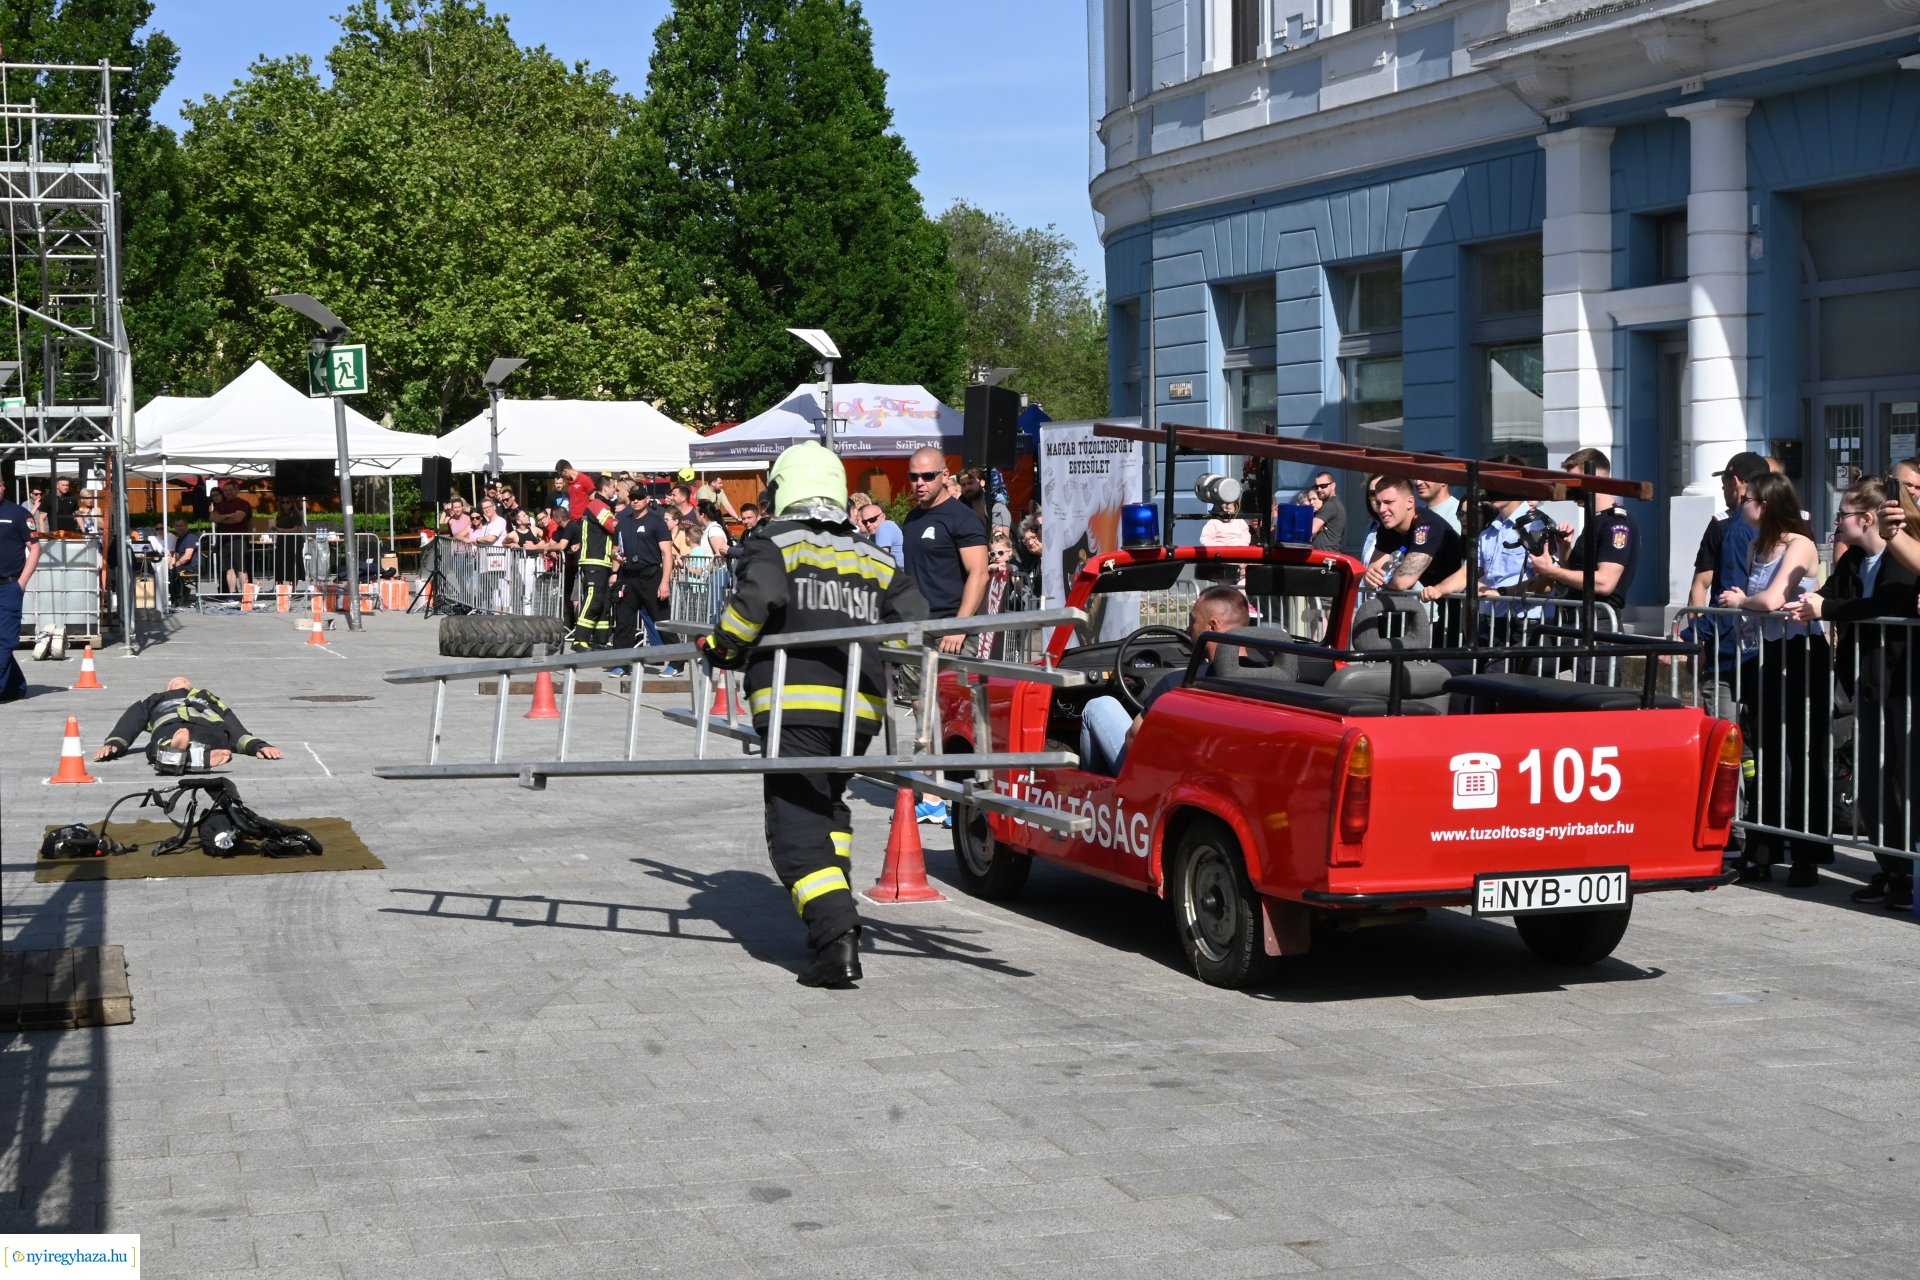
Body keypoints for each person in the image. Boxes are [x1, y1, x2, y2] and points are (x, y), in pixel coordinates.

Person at [696, 441, 928, 988]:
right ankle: (834, 911)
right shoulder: (873, 554)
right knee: (827, 810)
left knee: (795, 829)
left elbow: (755, 604)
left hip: (793, 704)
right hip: (859, 711)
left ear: (784, 490)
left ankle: (835, 937)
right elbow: (914, 622)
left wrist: (721, 645)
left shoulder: (774, 542)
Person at [1786, 477, 1918, 906]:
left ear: (1866, 519)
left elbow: (1887, 606)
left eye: (1843, 514)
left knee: (1899, 778)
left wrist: (1829, 609)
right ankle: (1891, 869)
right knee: (1872, 780)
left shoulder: (1899, 561)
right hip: (1863, 684)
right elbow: (1832, 595)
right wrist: (1805, 604)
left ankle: (1905, 873)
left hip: (1900, 682)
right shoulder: (1855, 560)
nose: (1837, 521)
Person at [1718, 471, 1828, 887]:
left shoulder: (1798, 543)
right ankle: (1762, 851)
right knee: (1763, 753)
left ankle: (1806, 854)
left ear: (1764, 504)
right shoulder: (1754, 544)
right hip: (1765, 652)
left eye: (1746, 498)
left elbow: (1772, 598)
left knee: (1801, 751)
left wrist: (1739, 601)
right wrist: (1747, 607)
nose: (1740, 503)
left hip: (1799, 653)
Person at [900, 447, 989, 826]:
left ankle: (968, 793)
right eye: (914, 478)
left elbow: (979, 574)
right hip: (916, 630)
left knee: (958, 712)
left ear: (944, 475)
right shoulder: (911, 518)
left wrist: (959, 624)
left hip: (951, 630)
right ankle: (934, 794)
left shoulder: (962, 518)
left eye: (927, 477)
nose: (920, 484)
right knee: (922, 710)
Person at [1079, 586, 1251, 776]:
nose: (1187, 628)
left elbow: (1134, 741)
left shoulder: (1180, 682)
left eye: (1193, 620)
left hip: (1162, 783)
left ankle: (1097, 794)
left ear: (1212, 626)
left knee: (1099, 706)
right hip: (1230, 777)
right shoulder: (1277, 678)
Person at [95, 675, 285, 769]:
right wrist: (115, 743)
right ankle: (198, 756)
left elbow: (234, 727)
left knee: (157, 749)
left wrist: (257, 746)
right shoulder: (154, 699)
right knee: (156, 745)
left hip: (207, 728)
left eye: (186, 681)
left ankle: (181, 756)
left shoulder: (208, 697)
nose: (182, 680)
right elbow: (130, 722)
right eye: (177, 680)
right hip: (174, 729)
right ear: (167, 689)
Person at [611, 487, 677, 674]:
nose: (636, 501)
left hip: (651, 576)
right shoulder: (623, 523)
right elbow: (615, 549)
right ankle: (621, 663)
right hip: (629, 577)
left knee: (662, 621)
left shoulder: (657, 522)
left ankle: (677, 662)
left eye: (640, 497)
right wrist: (616, 562)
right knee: (624, 621)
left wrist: (664, 582)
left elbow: (667, 553)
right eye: (633, 497)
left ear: (647, 499)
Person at [1365, 477, 1464, 597]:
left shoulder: (1427, 525)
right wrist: (1372, 578)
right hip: (1433, 601)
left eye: (1388, 502)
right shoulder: (1387, 528)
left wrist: (1381, 580)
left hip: (1458, 601)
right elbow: (1371, 574)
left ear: (1410, 502)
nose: (1381, 509)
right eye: (1379, 503)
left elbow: (1402, 581)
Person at [0, 461, 44, 702]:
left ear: (3, 486)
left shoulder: (18, 514)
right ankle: (15, 686)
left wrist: (22, 582)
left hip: (8, 586)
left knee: (5, 639)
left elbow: (35, 549)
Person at [569, 472, 622, 653]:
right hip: (594, 559)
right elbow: (612, 526)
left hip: (603, 560)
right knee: (593, 599)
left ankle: (601, 639)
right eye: (613, 487)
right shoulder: (597, 505)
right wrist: (626, 522)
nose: (615, 490)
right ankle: (580, 638)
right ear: (605, 488)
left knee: (604, 601)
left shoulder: (603, 505)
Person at [209, 479, 255, 595]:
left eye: (230, 490)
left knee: (241, 569)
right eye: (225, 490)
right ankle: (232, 594)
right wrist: (229, 515)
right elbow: (213, 518)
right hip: (224, 541)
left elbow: (238, 518)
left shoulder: (243, 504)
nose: (228, 492)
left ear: (237, 490)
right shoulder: (220, 505)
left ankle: (246, 595)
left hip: (238, 539)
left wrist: (222, 519)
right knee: (228, 570)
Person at [1306, 471, 1346, 552]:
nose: (1319, 489)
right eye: (1317, 486)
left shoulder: (1330, 505)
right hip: (1325, 556)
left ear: (1333, 485)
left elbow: (1311, 530)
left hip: (1327, 558)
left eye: (1323, 486)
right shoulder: (1331, 503)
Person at [164, 517, 200, 608]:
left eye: (181, 525)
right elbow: (175, 556)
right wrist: (169, 565)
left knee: (171, 572)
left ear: (186, 525)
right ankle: (180, 593)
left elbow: (187, 557)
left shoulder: (190, 537)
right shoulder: (179, 539)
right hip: (183, 566)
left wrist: (174, 565)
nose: (179, 528)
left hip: (193, 566)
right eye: (177, 526)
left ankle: (176, 597)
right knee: (165, 572)